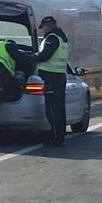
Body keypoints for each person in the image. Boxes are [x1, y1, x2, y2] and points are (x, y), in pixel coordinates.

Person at [30, 16, 70, 147]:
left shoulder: (52, 38)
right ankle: (59, 136)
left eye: (44, 27)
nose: (43, 30)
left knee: (52, 110)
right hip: (58, 77)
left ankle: (56, 137)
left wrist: (31, 57)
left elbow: (45, 55)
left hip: (52, 78)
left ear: (48, 25)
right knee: (58, 108)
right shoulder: (60, 37)